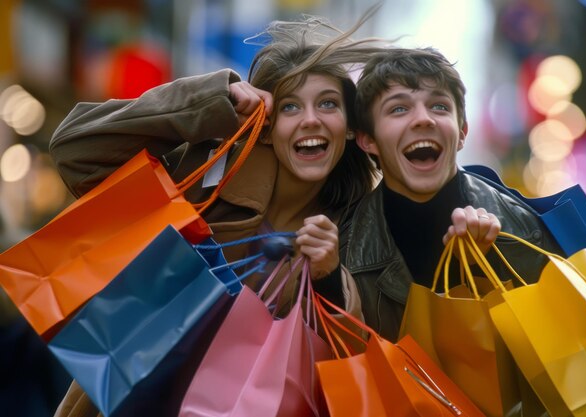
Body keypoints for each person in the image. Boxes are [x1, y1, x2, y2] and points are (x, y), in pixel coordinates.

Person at [48, 11, 384, 417]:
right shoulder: (205, 178)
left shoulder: (358, 230)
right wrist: (209, 101)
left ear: (349, 126)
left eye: (328, 104)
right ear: (268, 123)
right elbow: (74, 151)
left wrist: (330, 278)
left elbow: (353, 372)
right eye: (291, 106)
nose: (310, 120)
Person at [342, 46, 564, 342]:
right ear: (368, 140)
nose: (424, 119)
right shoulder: (344, 253)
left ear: (461, 133)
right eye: (398, 109)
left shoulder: (526, 231)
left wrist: (491, 264)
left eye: (439, 107)